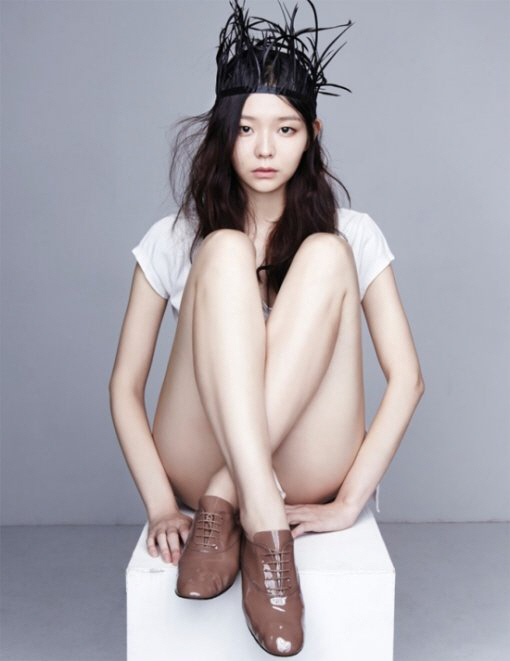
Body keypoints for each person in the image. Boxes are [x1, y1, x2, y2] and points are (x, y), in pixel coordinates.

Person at [109, 0, 425, 656]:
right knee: (222, 249)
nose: (263, 149)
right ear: (223, 133)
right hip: (197, 452)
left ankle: (232, 497)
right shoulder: (176, 236)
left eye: (284, 129)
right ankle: (262, 525)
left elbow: (407, 379)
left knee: (329, 253)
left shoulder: (355, 232)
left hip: (305, 462)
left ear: (312, 133)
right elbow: (125, 386)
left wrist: (349, 503)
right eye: (247, 129)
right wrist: (160, 506)